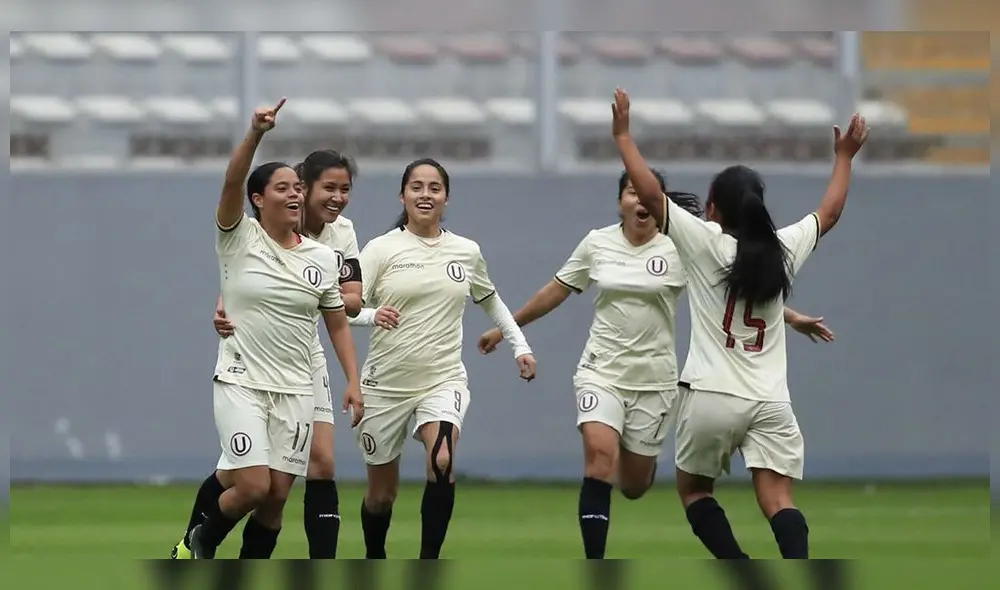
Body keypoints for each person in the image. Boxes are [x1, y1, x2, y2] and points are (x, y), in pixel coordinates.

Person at [477, 171, 834, 559]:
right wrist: (507, 328)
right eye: (631, 192)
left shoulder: (680, 245)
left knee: (633, 485)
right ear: (621, 203)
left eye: (647, 194)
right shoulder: (597, 244)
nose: (640, 201)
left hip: (655, 381)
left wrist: (791, 317)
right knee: (599, 458)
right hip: (602, 371)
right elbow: (556, 290)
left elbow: (731, 294)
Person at [611, 87, 869, 559]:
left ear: (712, 210)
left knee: (695, 492)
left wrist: (624, 136)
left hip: (711, 394)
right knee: (778, 501)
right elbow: (829, 213)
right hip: (771, 399)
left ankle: (739, 568)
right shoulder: (783, 249)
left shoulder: (704, 242)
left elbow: (649, 191)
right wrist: (845, 156)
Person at [180, 99, 364, 560]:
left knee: (277, 495)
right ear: (258, 199)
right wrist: (256, 133)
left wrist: (353, 380)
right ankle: (200, 541)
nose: (294, 194)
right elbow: (231, 181)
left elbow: (338, 321)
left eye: (297, 187)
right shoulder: (238, 236)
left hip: (297, 387)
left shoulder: (322, 258)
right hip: (242, 381)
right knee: (254, 485)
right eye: (282, 187)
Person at [356, 158, 537, 559]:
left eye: (434, 187)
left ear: (446, 197)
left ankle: (428, 564)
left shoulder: (466, 251)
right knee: (381, 496)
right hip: (385, 386)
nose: (425, 194)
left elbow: (491, 300)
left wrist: (519, 346)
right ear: (402, 195)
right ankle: (374, 557)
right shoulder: (380, 250)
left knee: (442, 460)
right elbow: (343, 308)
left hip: (442, 379)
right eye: (416, 187)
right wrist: (373, 316)